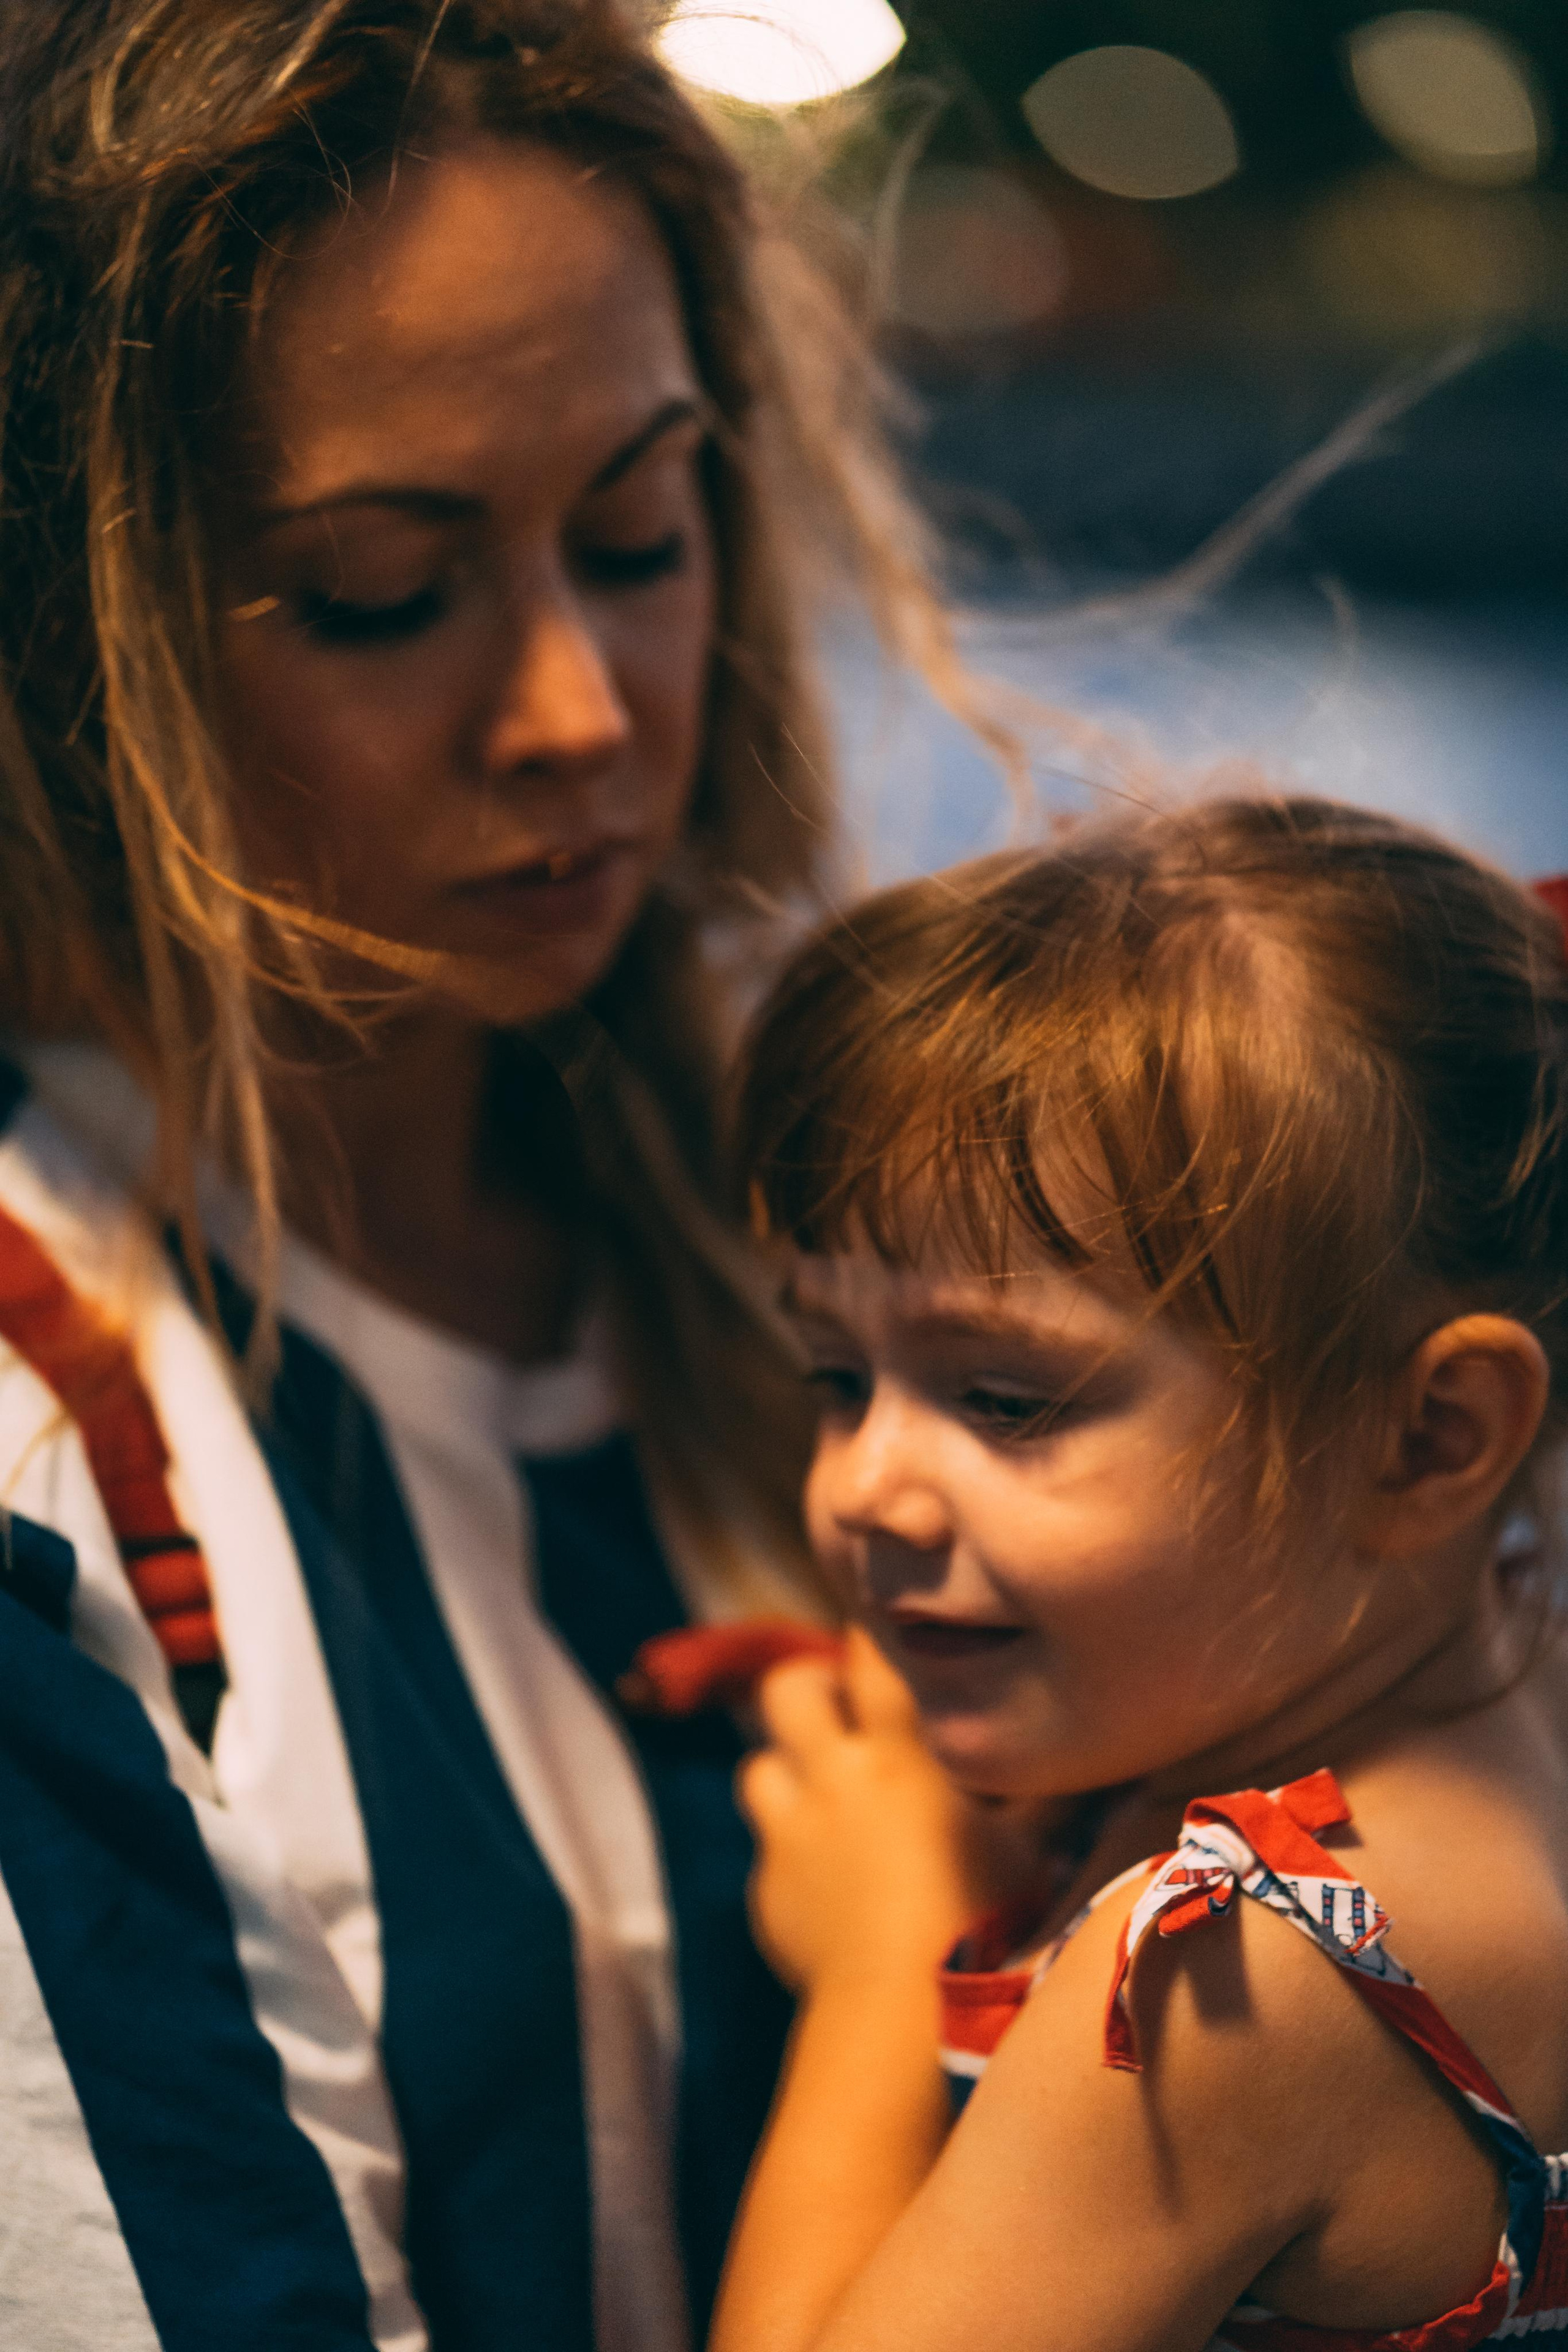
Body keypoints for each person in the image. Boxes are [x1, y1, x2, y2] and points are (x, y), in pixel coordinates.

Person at [0, 3, 994, 2346]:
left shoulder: (869, 1240)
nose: (577, 711)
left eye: (641, 531)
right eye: (380, 586)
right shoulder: (61, 1463)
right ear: (67, 641)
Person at [709, 796, 1568, 2352]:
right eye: (837, 1377)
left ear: (1429, 1439)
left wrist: (875, 1957)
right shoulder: (1513, 1686)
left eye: (1006, 1400)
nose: (862, 1490)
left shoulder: (1224, 1978)